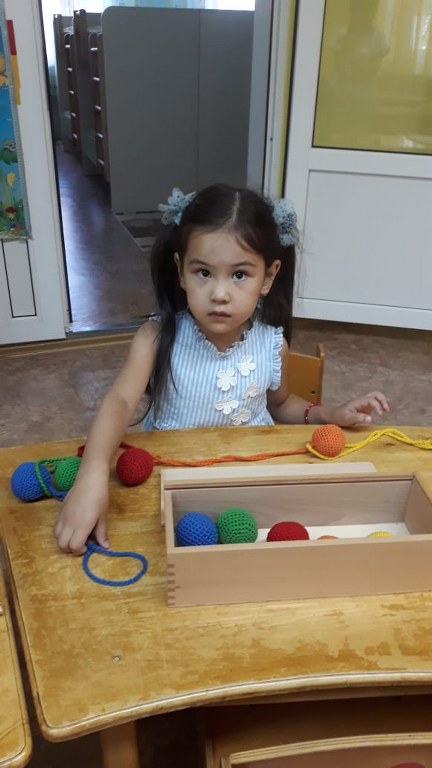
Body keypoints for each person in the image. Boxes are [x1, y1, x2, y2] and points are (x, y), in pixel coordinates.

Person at [55, 183, 389, 554]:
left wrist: (329, 413)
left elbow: (280, 405)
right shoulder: (155, 338)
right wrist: (92, 475)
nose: (219, 294)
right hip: (169, 483)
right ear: (180, 271)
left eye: (239, 275)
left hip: (247, 485)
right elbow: (119, 402)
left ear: (268, 277)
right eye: (203, 272)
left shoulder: (272, 344)